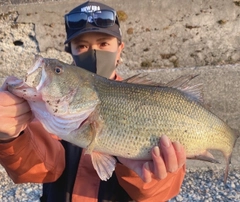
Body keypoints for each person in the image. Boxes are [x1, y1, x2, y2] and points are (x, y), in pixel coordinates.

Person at [0, 1, 186, 201]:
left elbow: (162, 193)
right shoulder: (52, 104)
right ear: (70, 51)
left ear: (119, 49)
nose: (94, 52)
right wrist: (11, 136)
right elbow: (37, 170)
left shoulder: (156, 103)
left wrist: (147, 173)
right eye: (81, 46)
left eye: (104, 43)